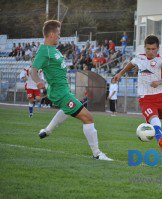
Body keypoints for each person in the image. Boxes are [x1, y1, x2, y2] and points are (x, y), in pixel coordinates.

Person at [30, 20, 112, 161]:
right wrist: (38, 82)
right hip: (59, 93)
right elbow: (33, 70)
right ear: (50, 34)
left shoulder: (53, 50)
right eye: (58, 34)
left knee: (67, 110)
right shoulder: (43, 51)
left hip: (63, 91)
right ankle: (97, 154)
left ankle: (47, 130)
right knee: (88, 118)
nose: (59, 37)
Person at [113, 35, 162, 153]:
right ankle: (161, 140)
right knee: (154, 119)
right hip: (146, 98)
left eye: (153, 49)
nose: (151, 52)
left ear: (158, 48)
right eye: (148, 49)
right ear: (144, 48)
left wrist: (160, 81)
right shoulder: (139, 58)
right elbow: (131, 64)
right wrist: (120, 74)